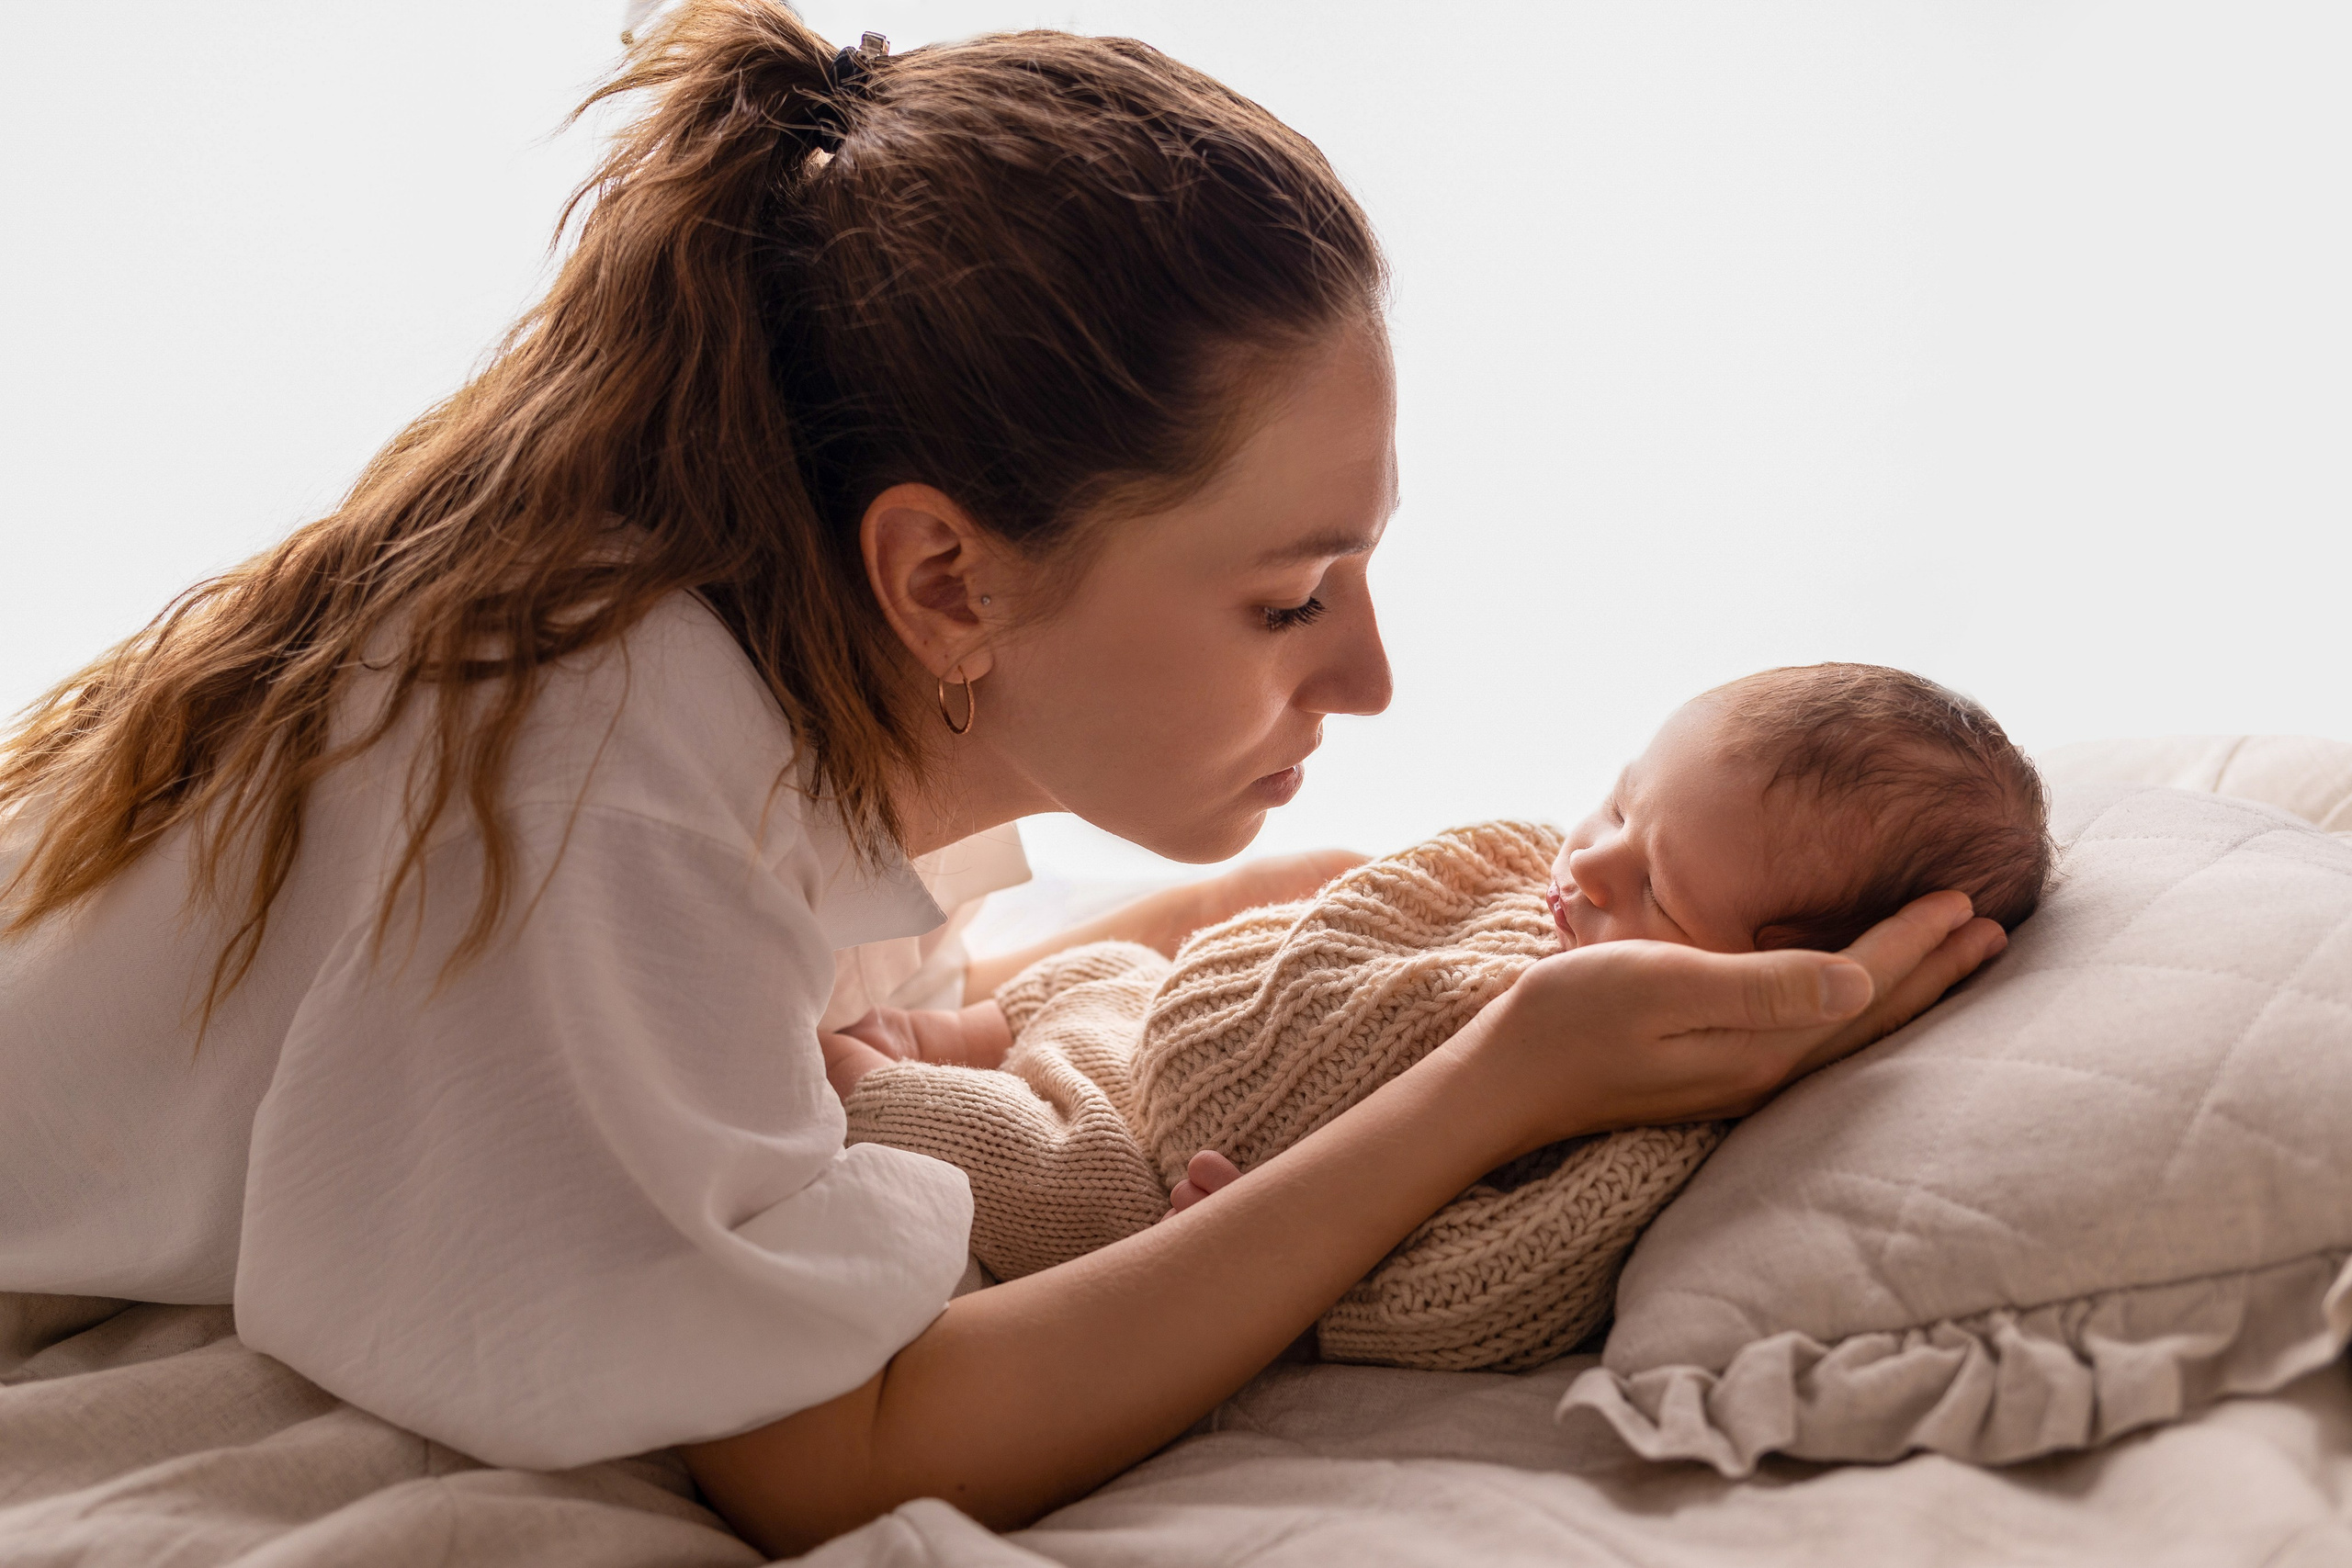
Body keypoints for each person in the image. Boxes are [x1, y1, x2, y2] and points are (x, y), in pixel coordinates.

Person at [0, 3, 2005, 1555]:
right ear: (945, 573)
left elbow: (835, 1005)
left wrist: (1224, 917)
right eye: (1293, 593)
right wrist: (1500, 1079)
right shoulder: (607, 786)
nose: (1371, 675)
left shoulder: (762, 650)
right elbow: (837, 1454)